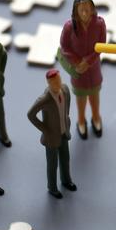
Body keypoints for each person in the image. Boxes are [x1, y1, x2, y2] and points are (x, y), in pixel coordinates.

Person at [57, 0, 105, 140]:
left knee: (95, 98)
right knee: (81, 100)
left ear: (92, 10)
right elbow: (64, 47)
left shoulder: (99, 24)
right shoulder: (69, 27)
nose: (84, 13)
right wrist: (77, 62)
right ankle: (81, 121)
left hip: (94, 70)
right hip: (78, 71)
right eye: (81, 10)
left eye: (87, 10)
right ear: (76, 12)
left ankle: (96, 118)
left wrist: (88, 61)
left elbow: (101, 46)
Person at [27, 69, 77, 198]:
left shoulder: (65, 90)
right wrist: (45, 129)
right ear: (49, 83)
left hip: (64, 132)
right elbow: (31, 114)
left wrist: (66, 119)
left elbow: (67, 106)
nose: (58, 83)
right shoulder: (45, 99)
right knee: (52, 164)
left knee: (65, 159)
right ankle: (52, 187)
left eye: (59, 80)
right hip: (51, 137)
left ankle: (66, 180)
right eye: (54, 82)